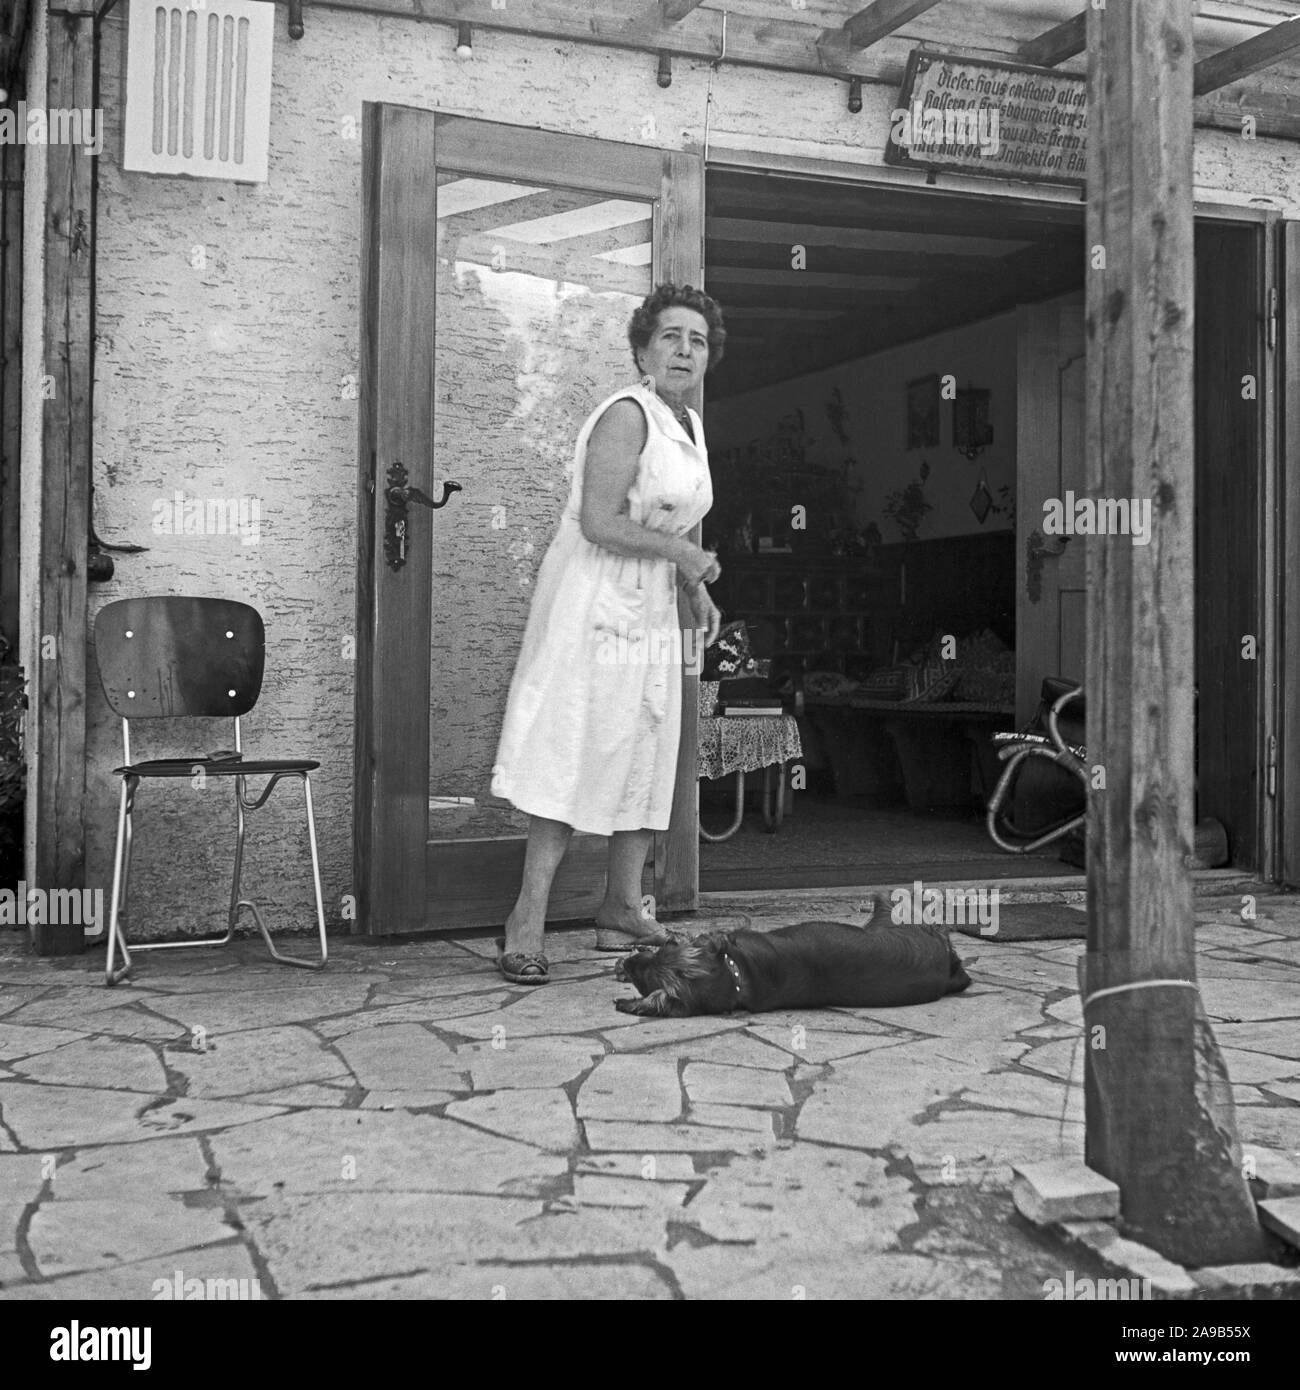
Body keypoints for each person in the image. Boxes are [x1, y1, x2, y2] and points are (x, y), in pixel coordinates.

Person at [490, 284, 726, 984]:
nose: (685, 350)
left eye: (698, 340)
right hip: (593, 604)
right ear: (642, 349)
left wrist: (692, 586)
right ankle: (525, 919)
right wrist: (685, 558)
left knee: (645, 744)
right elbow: (599, 521)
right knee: (574, 744)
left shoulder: (685, 422)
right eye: (671, 338)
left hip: (649, 606)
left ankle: (622, 905)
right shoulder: (629, 416)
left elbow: (667, 523)